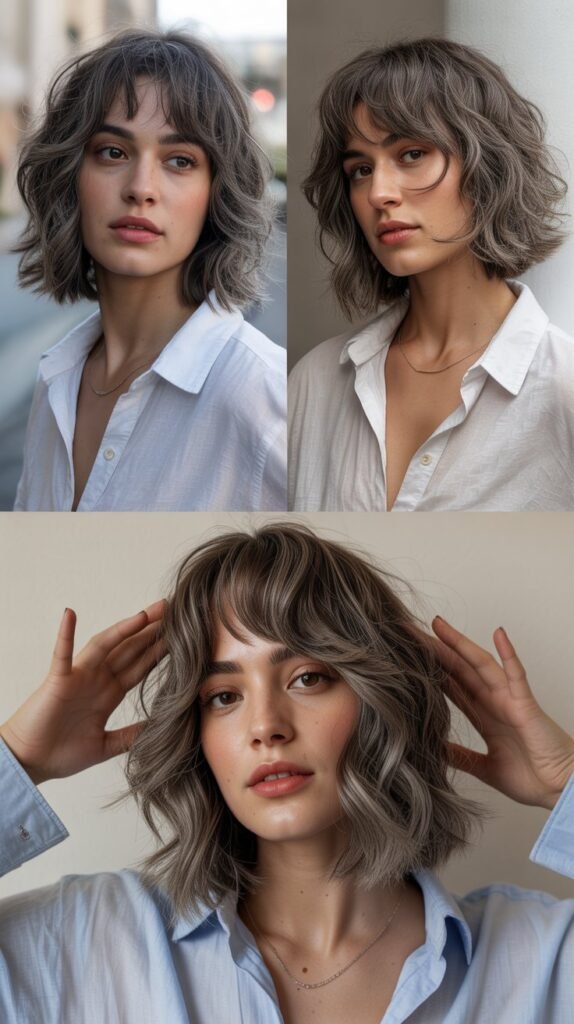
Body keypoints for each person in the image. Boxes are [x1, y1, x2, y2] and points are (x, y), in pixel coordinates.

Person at [1, 522, 573, 1023]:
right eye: (224, 695)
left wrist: (563, 779)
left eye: (308, 678)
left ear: (381, 699)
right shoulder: (82, 945)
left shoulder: (543, 961)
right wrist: (19, 758)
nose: (266, 726)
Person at [289, 38, 574, 511]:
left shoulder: (562, 390)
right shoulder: (315, 383)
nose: (379, 192)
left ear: (487, 164)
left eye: (411, 154)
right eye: (360, 168)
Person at [13, 30, 286, 511]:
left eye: (180, 161)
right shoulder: (57, 380)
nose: (141, 188)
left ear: (216, 192)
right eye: (113, 153)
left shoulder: (265, 400)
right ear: (70, 174)